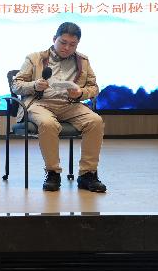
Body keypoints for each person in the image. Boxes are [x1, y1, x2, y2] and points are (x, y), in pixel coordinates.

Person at [11, 21, 106, 192]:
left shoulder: (83, 61)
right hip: (40, 103)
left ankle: (87, 174)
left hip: (70, 104)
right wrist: (34, 85)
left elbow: (94, 88)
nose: (67, 48)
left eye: (72, 44)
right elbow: (16, 85)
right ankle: (53, 173)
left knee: (95, 121)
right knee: (48, 123)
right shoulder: (35, 58)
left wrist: (80, 93)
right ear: (54, 39)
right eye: (63, 42)